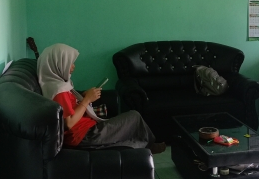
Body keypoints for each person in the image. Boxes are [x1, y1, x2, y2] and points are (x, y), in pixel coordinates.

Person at [37, 43, 166, 153]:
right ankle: (150, 145)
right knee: (134, 116)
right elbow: (68, 123)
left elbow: (68, 107)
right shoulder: (59, 91)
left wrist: (82, 96)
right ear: (58, 64)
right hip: (85, 136)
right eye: (70, 63)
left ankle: (144, 147)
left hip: (87, 130)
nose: (73, 67)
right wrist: (87, 100)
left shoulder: (55, 84)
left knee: (131, 131)